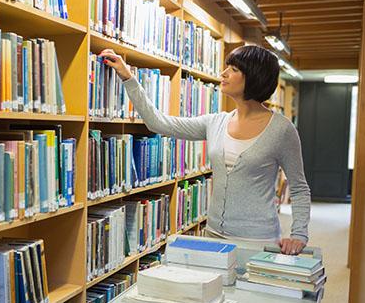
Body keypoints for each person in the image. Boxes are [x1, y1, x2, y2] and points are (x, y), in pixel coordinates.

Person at [99, 45, 311, 254]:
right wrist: (128, 77)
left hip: (258, 240)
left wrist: (299, 235)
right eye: (227, 67)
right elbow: (158, 123)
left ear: (255, 77)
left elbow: (300, 188)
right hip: (213, 236)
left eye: (234, 70)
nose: (223, 73)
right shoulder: (215, 122)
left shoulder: (282, 129)